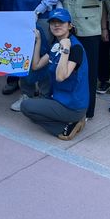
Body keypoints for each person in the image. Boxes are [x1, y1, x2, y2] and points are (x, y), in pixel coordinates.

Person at [20, 8, 88, 141]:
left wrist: (66, 50)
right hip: (58, 99)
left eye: (61, 22)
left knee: (26, 107)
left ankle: (64, 128)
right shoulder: (56, 45)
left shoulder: (75, 48)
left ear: (69, 25)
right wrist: (38, 41)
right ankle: (69, 122)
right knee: (34, 113)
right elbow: (36, 65)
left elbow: (60, 77)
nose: (56, 25)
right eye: (53, 23)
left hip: (71, 105)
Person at [60, 0, 108, 120]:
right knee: (68, 69)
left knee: (88, 72)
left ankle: (88, 110)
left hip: (89, 32)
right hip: (68, 32)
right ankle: (70, 104)